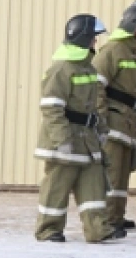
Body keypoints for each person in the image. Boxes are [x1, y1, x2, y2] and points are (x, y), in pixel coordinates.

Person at [34, 14, 124, 243]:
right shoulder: (61, 69)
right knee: (56, 188)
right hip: (66, 142)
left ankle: (98, 230)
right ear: (84, 38)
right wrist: (62, 140)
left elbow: (93, 106)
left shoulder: (87, 69)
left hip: (87, 140)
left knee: (94, 187)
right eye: (94, 38)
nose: (96, 42)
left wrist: (101, 129)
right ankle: (48, 230)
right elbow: (51, 108)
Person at [94, 0, 136, 233]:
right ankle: (106, 221)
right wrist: (101, 119)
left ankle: (117, 217)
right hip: (112, 122)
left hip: (127, 122)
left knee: (121, 174)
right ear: (132, 25)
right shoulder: (112, 51)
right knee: (110, 174)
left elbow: (135, 94)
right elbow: (96, 86)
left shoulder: (135, 54)